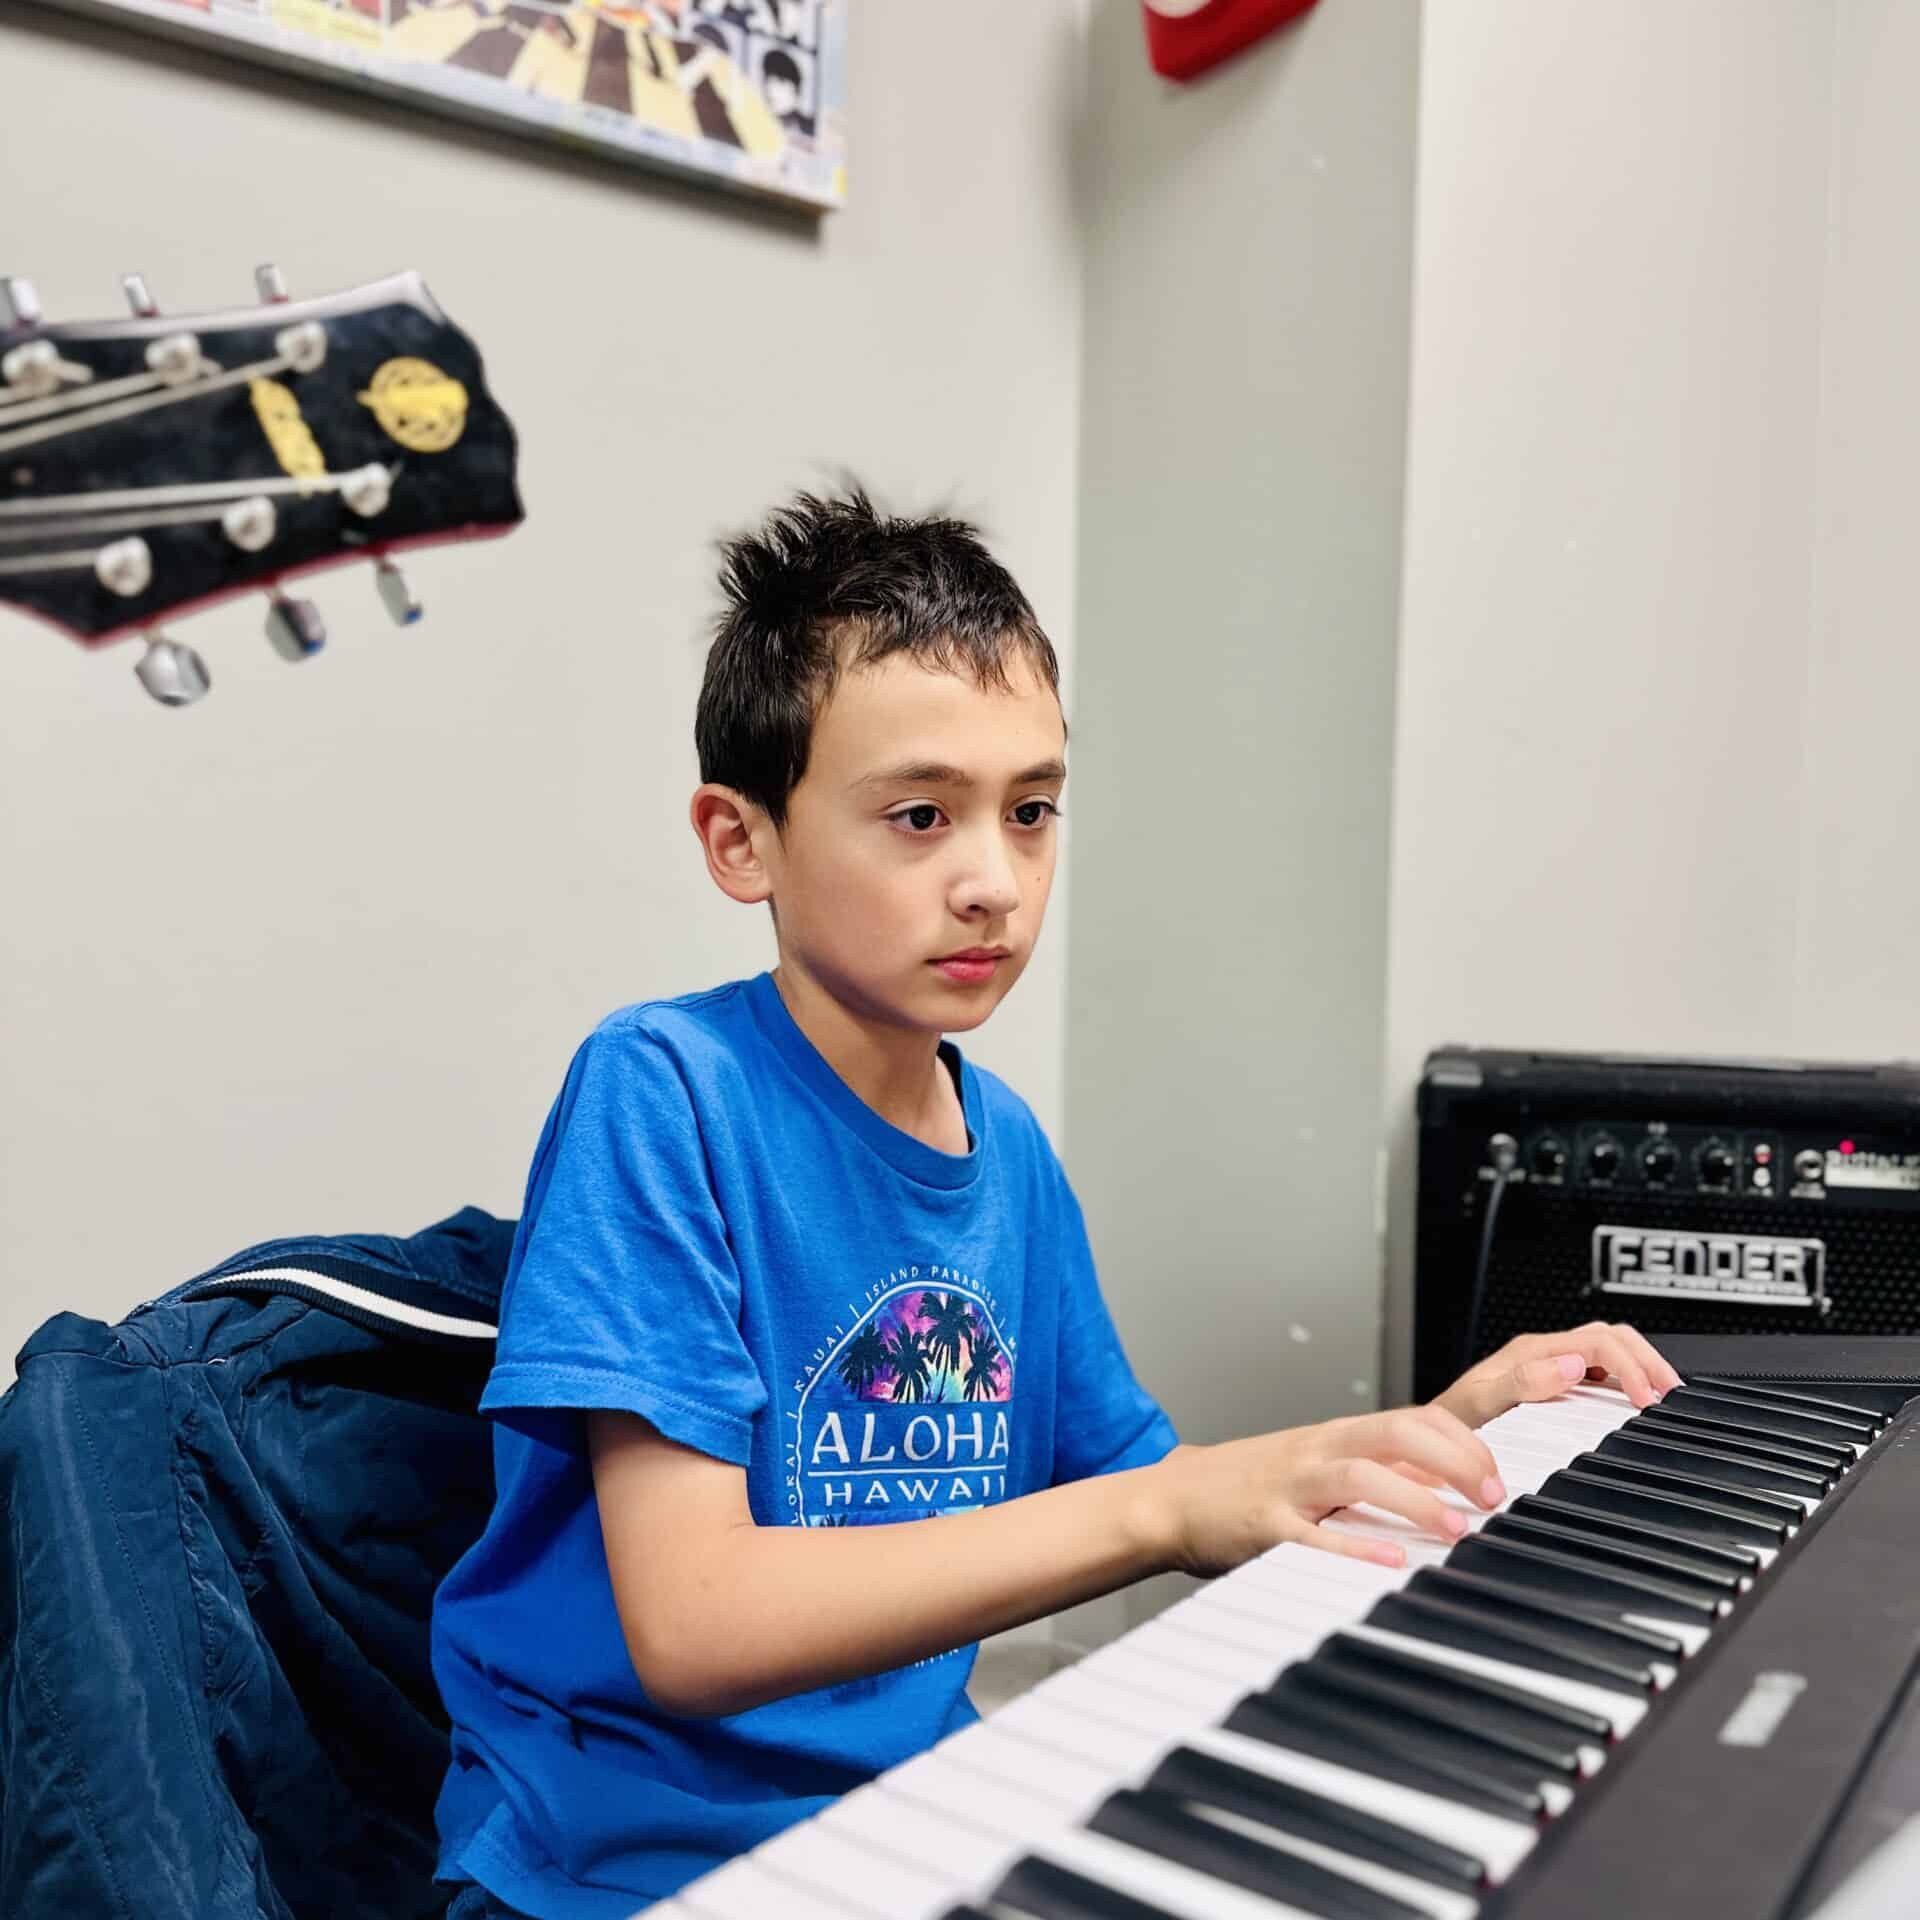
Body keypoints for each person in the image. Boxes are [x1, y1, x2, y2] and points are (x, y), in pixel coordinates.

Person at [429, 483, 1683, 1920]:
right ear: (741, 841)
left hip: (913, 1817)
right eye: (919, 815)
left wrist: (1448, 1429)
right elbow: (694, 1624)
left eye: (1031, 812)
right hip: (623, 1860)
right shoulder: (663, 1091)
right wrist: (1168, 1504)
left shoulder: (1005, 1147)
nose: (993, 882)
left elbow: (1154, 1487)